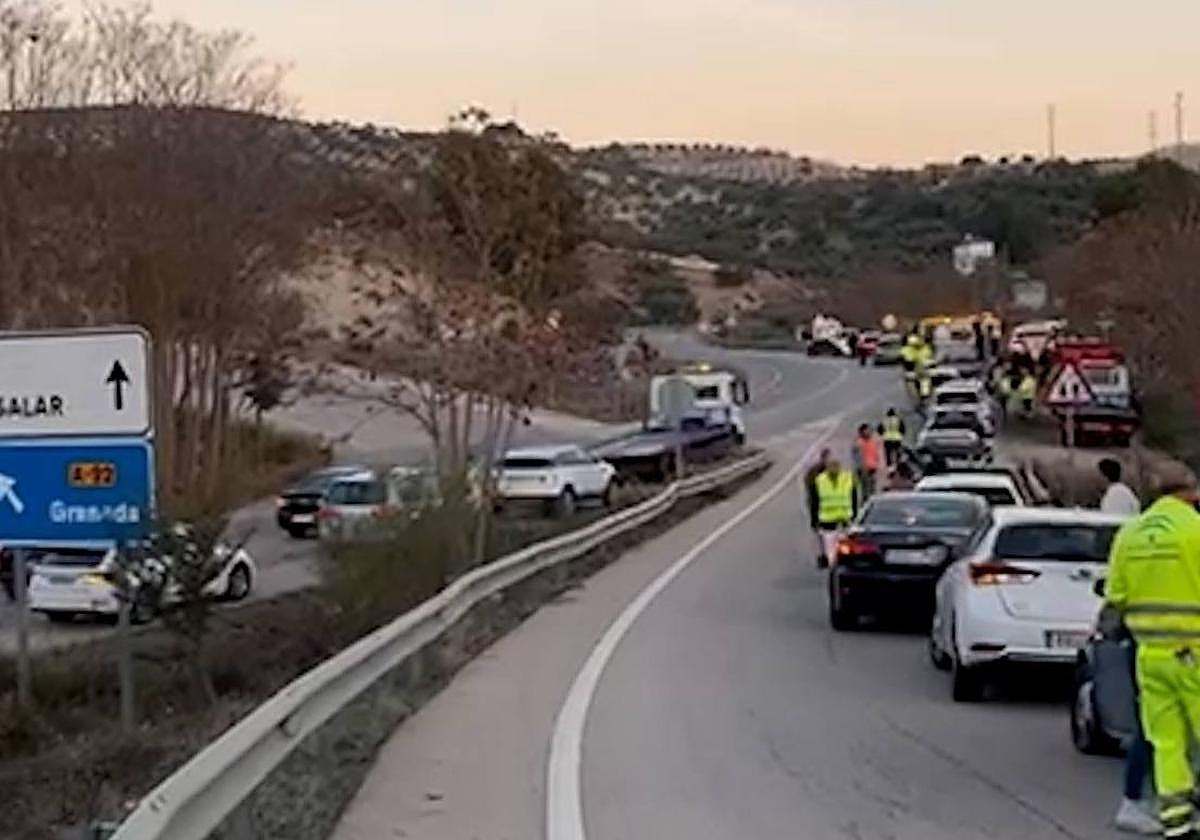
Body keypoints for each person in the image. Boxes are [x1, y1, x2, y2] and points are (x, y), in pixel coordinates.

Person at [1104, 463, 1200, 840]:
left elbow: (1115, 602)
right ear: (1191, 494)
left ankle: (1176, 821)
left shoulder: (1131, 534)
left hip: (1150, 656)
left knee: (1166, 742)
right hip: (1194, 651)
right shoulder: (1194, 531)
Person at [814, 456, 857, 569]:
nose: (834, 470)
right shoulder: (820, 480)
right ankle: (833, 570)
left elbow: (854, 498)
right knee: (831, 554)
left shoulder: (848, 478)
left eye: (836, 467)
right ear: (827, 468)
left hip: (845, 520)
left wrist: (855, 516)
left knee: (848, 551)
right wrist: (815, 520)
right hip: (827, 521)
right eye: (831, 467)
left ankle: (845, 569)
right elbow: (815, 501)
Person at [802, 448, 832, 532]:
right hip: (815, 489)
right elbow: (809, 479)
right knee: (815, 507)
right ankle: (816, 524)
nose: (828, 460)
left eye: (829, 458)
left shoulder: (828, 467)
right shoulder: (817, 468)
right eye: (827, 458)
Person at [852, 424, 881, 501]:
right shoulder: (858, 443)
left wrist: (876, 464)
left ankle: (872, 502)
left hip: (872, 468)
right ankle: (865, 504)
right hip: (863, 470)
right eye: (867, 430)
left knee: (872, 489)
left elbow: (875, 454)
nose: (869, 432)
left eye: (870, 430)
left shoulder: (872, 441)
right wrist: (862, 468)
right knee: (865, 490)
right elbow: (857, 458)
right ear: (862, 431)